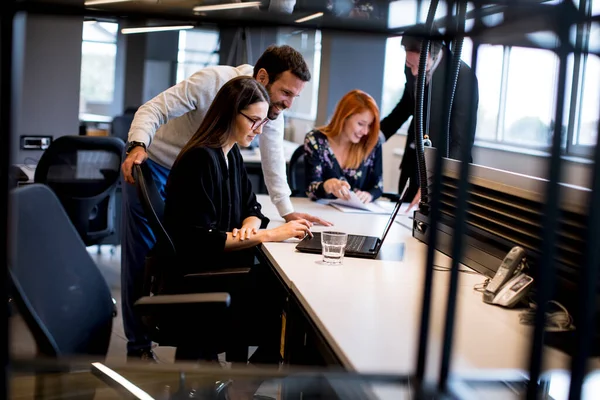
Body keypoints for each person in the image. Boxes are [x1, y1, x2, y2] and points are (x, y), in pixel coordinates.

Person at [120, 45, 331, 361]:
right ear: (263, 77)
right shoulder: (213, 84)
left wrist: (283, 214)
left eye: (294, 98)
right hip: (155, 160)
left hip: (198, 168)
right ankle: (138, 346)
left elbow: (272, 160)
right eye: (286, 92)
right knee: (145, 259)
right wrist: (138, 145)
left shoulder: (247, 128)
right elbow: (154, 109)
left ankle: (225, 374)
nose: (287, 103)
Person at [160, 76, 312, 367]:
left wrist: (250, 226)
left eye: (263, 122)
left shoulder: (230, 154)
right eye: (253, 121)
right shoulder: (201, 160)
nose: (258, 130)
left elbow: (252, 206)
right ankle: (243, 387)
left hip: (223, 269)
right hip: (200, 280)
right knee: (289, 306)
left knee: (285, 296)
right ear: (231, 113)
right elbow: (200, 241)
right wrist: (269, 235)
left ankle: (241, 385)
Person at [380, 24, 479, 210]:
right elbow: (406, 105)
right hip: (412, 165)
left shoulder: (463, 77)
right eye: (410, 65)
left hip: (444, 172)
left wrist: (435, 183)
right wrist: (378, 135)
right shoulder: (412, 63)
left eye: (420, 66)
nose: (414, 72)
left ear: (436, 53)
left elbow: (461, 142)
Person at [304, 90, 383, 203]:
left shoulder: (372, 142)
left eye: (369, 125)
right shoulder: (315, 140)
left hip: (359, 217)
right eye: (360, 124)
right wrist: (326, 186)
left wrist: (369, 195)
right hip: (323, 213)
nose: (365, 132)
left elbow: (378, 186)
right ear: (344, 118)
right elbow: (310, 190)